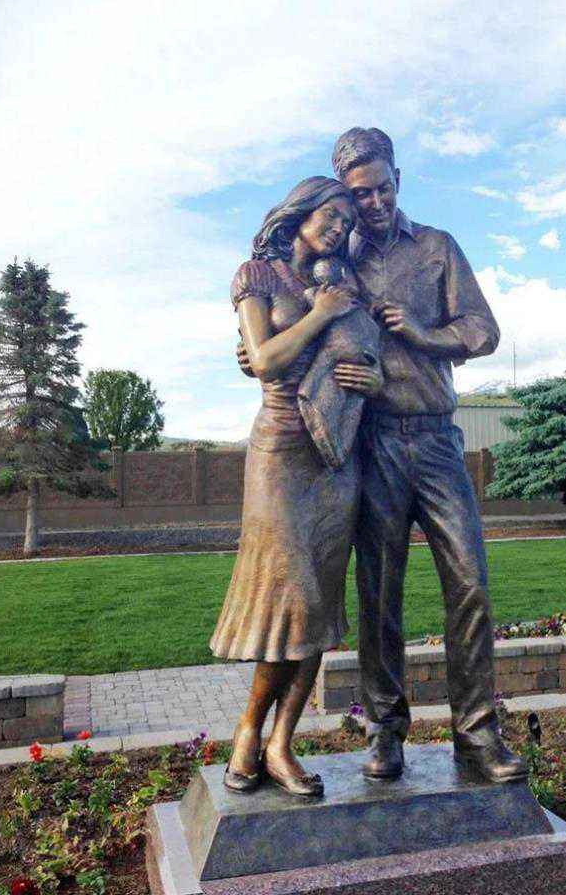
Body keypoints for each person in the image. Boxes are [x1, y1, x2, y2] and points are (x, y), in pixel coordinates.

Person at [331, 127, 528, 784]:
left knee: (469, 582)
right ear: (347, 196)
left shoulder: (437, 247)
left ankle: (476, 735)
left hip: (438, 439)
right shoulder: (340, 261)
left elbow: (482, 329)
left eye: (383, 186)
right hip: (376, 441)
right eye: (361, 193)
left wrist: (420, 334)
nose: (375, 201)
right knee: (378, 594)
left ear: (398, 180)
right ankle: (384, 729)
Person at [209, 176, 382, 797]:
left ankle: (280, 745)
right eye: (330, 215)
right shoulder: (258, 276)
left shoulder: (342, 286)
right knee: (296, 599)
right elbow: (265, 360)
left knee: (321, 608)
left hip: (336, 459)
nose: (339, 226)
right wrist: (319, 316)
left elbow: (369, 351)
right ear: (300, 216)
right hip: (281, 452)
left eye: (346, 220)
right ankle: (248, 731)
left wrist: (372, 373)